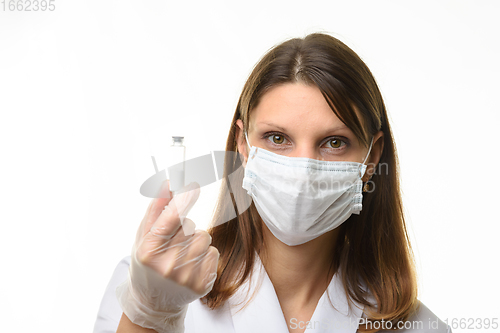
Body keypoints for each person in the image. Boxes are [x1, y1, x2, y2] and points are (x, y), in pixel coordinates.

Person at [93, 32, 452, 333]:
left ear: (371, 159)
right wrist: (150, 315)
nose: (302, 170)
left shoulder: (419, 327)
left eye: (334, 142)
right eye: (277, 138)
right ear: (243, 146)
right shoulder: (146, 285)